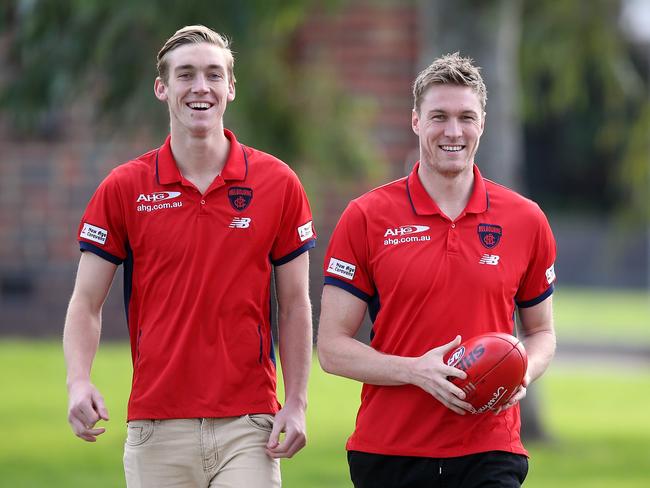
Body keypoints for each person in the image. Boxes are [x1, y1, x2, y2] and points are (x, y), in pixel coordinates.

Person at [63, 25, 316, 487]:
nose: (201, 87)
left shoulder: (278, 184)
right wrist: (78, 380)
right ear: (162, 88)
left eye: (214, 75)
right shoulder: (124, 188)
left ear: (230, 88)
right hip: (156, 427)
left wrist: (296, 402)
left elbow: (296, 304)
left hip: (249, 426)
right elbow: (85, 302)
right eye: (186, 75)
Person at [317, 52, 556, 488]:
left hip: (490, 449)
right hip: (390, 452)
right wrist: (415, 370)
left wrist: (522, 368)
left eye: (466, 117)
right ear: (415, 121)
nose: (453, 131)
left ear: (483, 122)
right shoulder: (367, 217)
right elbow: (332, 348)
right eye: (439, 116)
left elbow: (541, 333)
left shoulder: (526, 219)